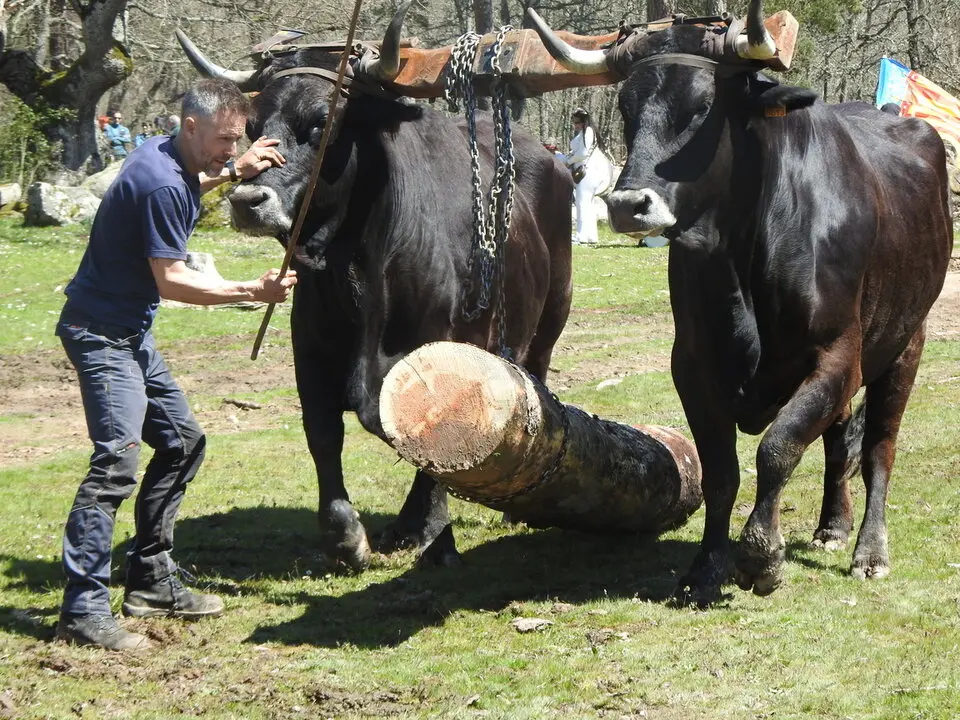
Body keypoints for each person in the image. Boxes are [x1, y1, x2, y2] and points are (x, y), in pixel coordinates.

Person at [54, 78, 294, 652]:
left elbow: (191, 183)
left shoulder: (163, 155)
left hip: (129, 333)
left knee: (183, 444)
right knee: (115, 465)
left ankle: (150, 581)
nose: (231, 150)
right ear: (191, 126)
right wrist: (251, 290)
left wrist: (234, 171)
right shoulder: (161, 182)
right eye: (224, 140)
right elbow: (173, 280)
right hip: (101, 336)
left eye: (238, 140)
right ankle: (82, 611)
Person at [564, 107, 613, 245]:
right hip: (588, 171)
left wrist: (568, 161)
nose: (575, 125)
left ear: (584, 122)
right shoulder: (585, 132)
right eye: (574, 122)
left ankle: (581, 236)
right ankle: (591, 236)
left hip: (587, 172)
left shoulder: (588, 132)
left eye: (577, 122)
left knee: (582, 203)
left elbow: (583, 153)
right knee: (588, 204)